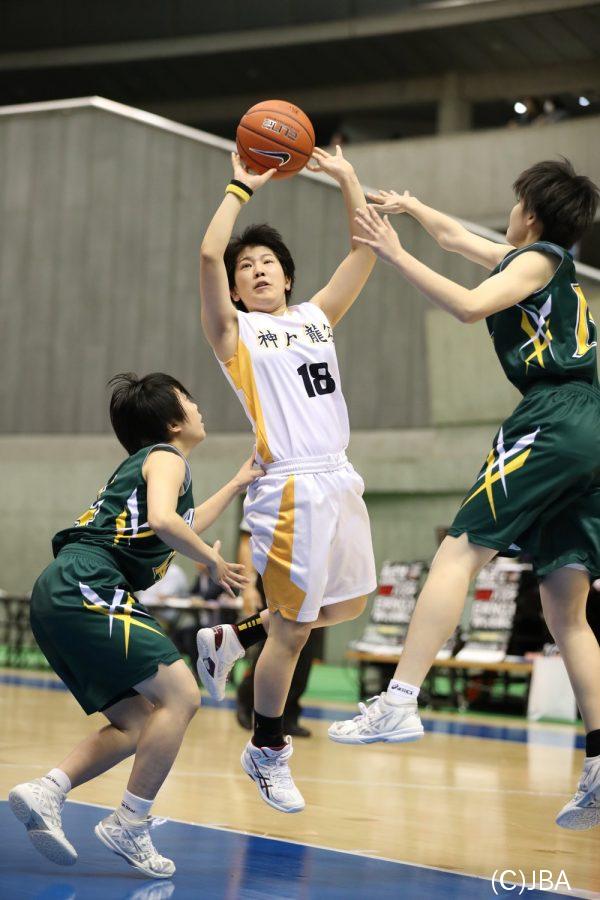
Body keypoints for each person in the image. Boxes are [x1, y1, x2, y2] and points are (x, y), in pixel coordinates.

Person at [327, 159, 600, 831]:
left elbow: (470, 305)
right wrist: (415, 207)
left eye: (514, 203)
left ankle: (400, 699)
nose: (507, 214)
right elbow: (458, 240)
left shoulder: (535, 260)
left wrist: (394, 253)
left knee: (458, 551)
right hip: (588, 426)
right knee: (565, 608)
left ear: (530, 213)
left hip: (553, 417)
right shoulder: (539, 264)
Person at [9, 373, 261, 877]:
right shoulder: (168, 458)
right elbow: (168, 523)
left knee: (140, 722)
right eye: (189, 400)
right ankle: (130, 821)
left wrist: (237, 483)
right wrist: (211, 562)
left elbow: (180, 523)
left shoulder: (153, 465)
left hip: (64, 591)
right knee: (182, 695)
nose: (199, 407)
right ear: (172, 421)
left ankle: (48, 790)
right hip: (87, 584)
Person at [195, 146, 378, 813]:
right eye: (246, 266)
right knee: (295, 633)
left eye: (267, 260)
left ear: (288, 276)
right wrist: (239, 188)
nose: (257, 268)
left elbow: (365, 251)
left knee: (345, 606)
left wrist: (349, 179)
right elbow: (208, 255)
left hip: (340, 477)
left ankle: (232, 638)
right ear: (236, 291)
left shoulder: (314, 317)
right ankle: (266, 747)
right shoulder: (235, 334)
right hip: (291, 487)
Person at [235, 516, 317, 737]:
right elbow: (247, 540)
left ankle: (288, 714)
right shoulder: (271, 494)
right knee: (277, 642)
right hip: (278, 571)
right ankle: (248, 698)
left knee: (305, 648)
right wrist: (248, 586)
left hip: (314, 576)